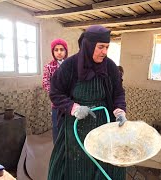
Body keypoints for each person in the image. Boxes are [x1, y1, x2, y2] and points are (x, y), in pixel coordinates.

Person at [48, 25, 127, 180]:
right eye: (101, 47)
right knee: (78, 164)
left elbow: (118, 92)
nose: (105, 52)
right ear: (89, 45)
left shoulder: (110, 67)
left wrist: (119, 109)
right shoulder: (69, 66)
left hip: (102, 125)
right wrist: (73, 107)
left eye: (107, 47)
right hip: (76, 126)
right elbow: (55, 93)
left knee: (103, 162)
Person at [42, 38, 68, 144]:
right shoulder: (48, 67)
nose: (59, 52)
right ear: (53, 52)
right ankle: (57, 153)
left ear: (66, 51)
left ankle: (67, 151)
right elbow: (45, 83)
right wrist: (55, 95)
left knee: (68, 127)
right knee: (57, 128)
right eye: (56, 50)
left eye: (62, 49)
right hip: (56, 104)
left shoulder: (71, 66)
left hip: (69, 103)